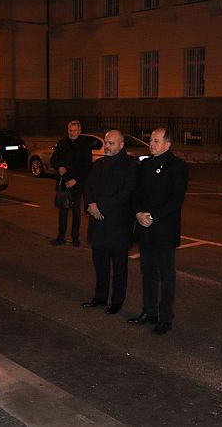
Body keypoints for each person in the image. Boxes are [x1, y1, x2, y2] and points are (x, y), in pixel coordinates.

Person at [128, 128, 188, 334]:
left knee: (166, 275)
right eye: (150, 140)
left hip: (164, 230)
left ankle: (165, 317)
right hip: (145, 230)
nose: (151, 144)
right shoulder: (145, 165)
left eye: (155, 140)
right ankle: (149, 311)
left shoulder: (177, 167)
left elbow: (176, 200)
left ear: (167, 144)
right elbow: (135, 193)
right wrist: (137, 213)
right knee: (148, 273)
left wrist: (153, 216)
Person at [82, 130, 136, 314]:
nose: (107, 146)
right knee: (100, 264)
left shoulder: (130, 166)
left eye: (111, 143)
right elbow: (87, 186)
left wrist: (101, 207)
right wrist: (90, 204)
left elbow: (125, 194)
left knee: (119, 267)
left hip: (117, 225)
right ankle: (100, 297)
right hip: (98, 224)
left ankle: (117, 301)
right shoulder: (99, 164)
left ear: (121, 145)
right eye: (106, 142)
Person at [50, 120, 92, 247]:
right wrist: (59, 168)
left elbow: (87, 166)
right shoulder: (62, 143)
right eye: (70, 130)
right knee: (62, 211)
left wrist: (76, 180)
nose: (72, 133)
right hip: (64, 182)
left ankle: (75, 238)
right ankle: (60, 237)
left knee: (75, 212)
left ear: (80, 131)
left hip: (77, 184)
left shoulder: (85, 145)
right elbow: (54, 159)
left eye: (74, 130)